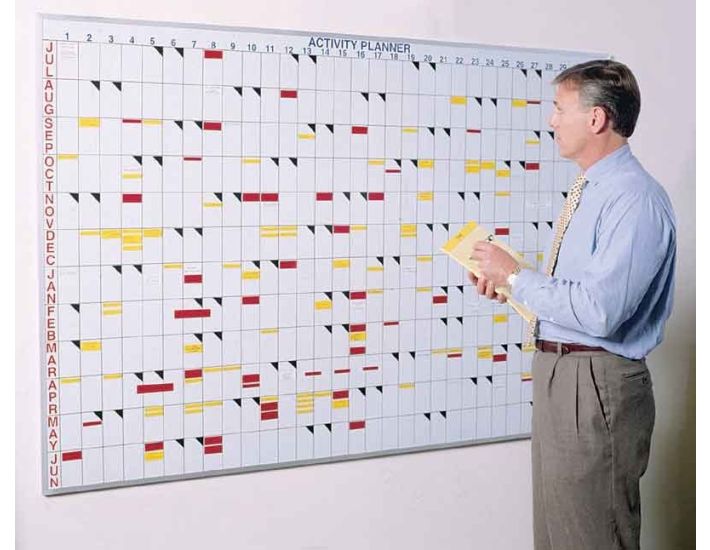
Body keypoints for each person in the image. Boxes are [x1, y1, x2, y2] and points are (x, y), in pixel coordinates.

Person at [470, 60, 676, 550]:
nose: (551, 120)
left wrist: (516, 275)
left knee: (592, 537)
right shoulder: (591, 190)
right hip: (562, 375)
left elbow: (600, 312)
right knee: (557, 536)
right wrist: (509, 285)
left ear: (596, 118)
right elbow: (575, 297)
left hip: (595, 383)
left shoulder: (634, 199)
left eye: (560, 108)